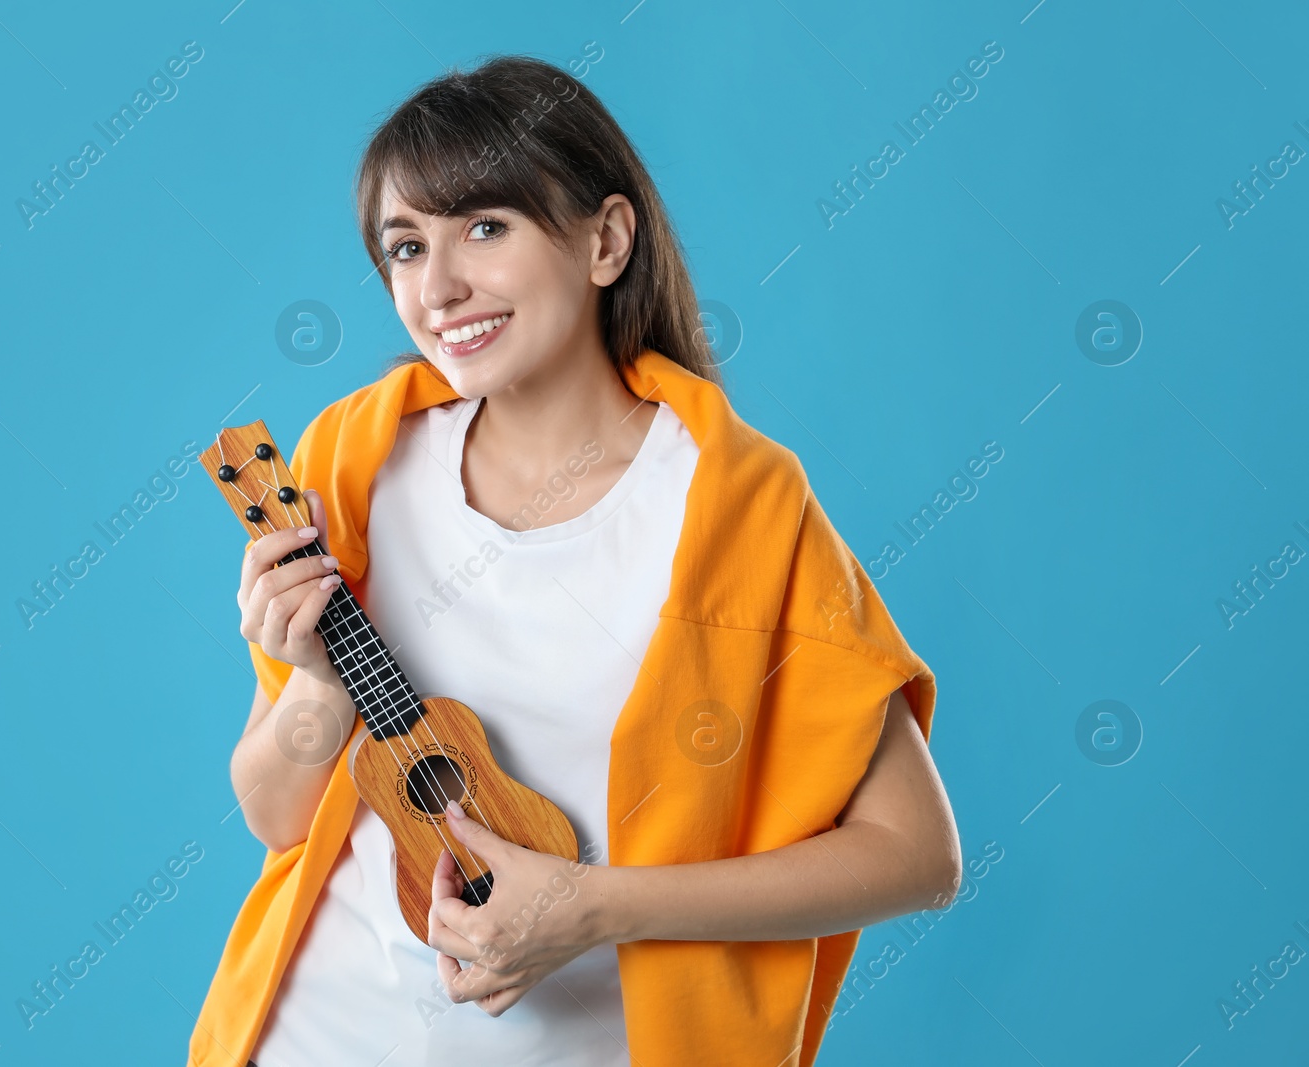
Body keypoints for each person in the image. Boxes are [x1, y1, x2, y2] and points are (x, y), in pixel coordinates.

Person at [189, 54, 959, 1067]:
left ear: (604, 240)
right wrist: (319, 683)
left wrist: (595, 908)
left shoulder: (737, 506)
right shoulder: (350, 458)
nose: (441, 285)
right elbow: (276, 812)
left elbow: (916, 856)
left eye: (486, 227)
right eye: (406, 246)